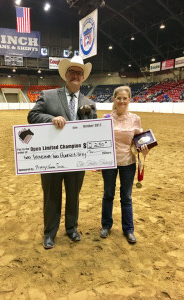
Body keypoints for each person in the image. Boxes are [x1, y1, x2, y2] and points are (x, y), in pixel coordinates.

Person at [27, 56, 97, 249]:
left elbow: (94, 129)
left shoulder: (89, 102)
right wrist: (50, 118)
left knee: (74, 195)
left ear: (83, 77)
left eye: (79, 73)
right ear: (65, 75)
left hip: (77, 160)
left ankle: (72, 228)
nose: (75, 75)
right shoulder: (48, 95)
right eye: (72, 72)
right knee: (51, 196)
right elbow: (32, 116)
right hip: (52, 157)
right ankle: (49, 233)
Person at [100, 86, 149, 244]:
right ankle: (106, 225)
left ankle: (128, 229)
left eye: (124, 98)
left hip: (128, 162)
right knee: (108, 195)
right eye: (118, 98)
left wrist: (144, 149)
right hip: (109, 162)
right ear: (114, 99)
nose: (121, 101)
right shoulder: (106, 117)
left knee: (126, 197)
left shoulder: (135, 119)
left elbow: (139, 141)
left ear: (129, 99)